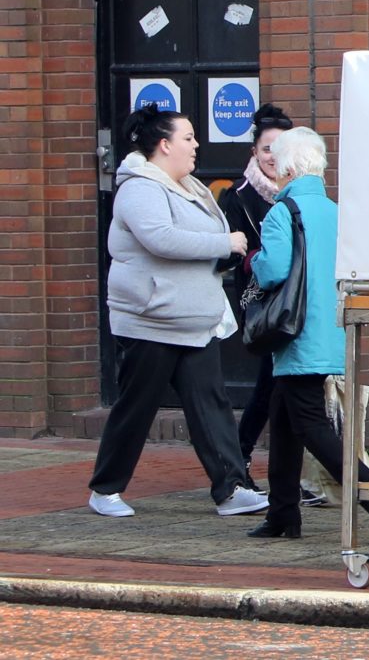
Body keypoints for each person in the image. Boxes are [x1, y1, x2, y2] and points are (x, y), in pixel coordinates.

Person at [87, 104, 268, 520]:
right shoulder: (139, 187)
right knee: (137, 406)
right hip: (151, 319)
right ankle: (106, 489)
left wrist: (224, 245)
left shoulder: (188, 185)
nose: (196, 144)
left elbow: (201, 235)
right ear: (164, 144)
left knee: (211, 404)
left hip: (193, 318)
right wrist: (225, 245)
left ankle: (232, 488)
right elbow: (161, 239)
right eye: (187, 137)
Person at [243, 127, 369, 544]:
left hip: (295, 335)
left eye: (276, 163)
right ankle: (283, 514)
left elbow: (273, 270)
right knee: (284, 419)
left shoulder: (281, 212)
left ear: (289, 169)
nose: (273, 170)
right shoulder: (334, 211)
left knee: (309, 425)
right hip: (328, 330)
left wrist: (253, 262)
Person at [218, 103, 292, 467]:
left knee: (287, 385)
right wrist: (252, 257)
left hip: (297, 298)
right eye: (266, 149)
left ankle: (286, 469)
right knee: (271, 381)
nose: (273, 157)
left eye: (280, 149)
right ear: (254, 152)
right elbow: (232, 255)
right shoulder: (238, 196)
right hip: (260, 298)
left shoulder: (299, 192)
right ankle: (240, 456)